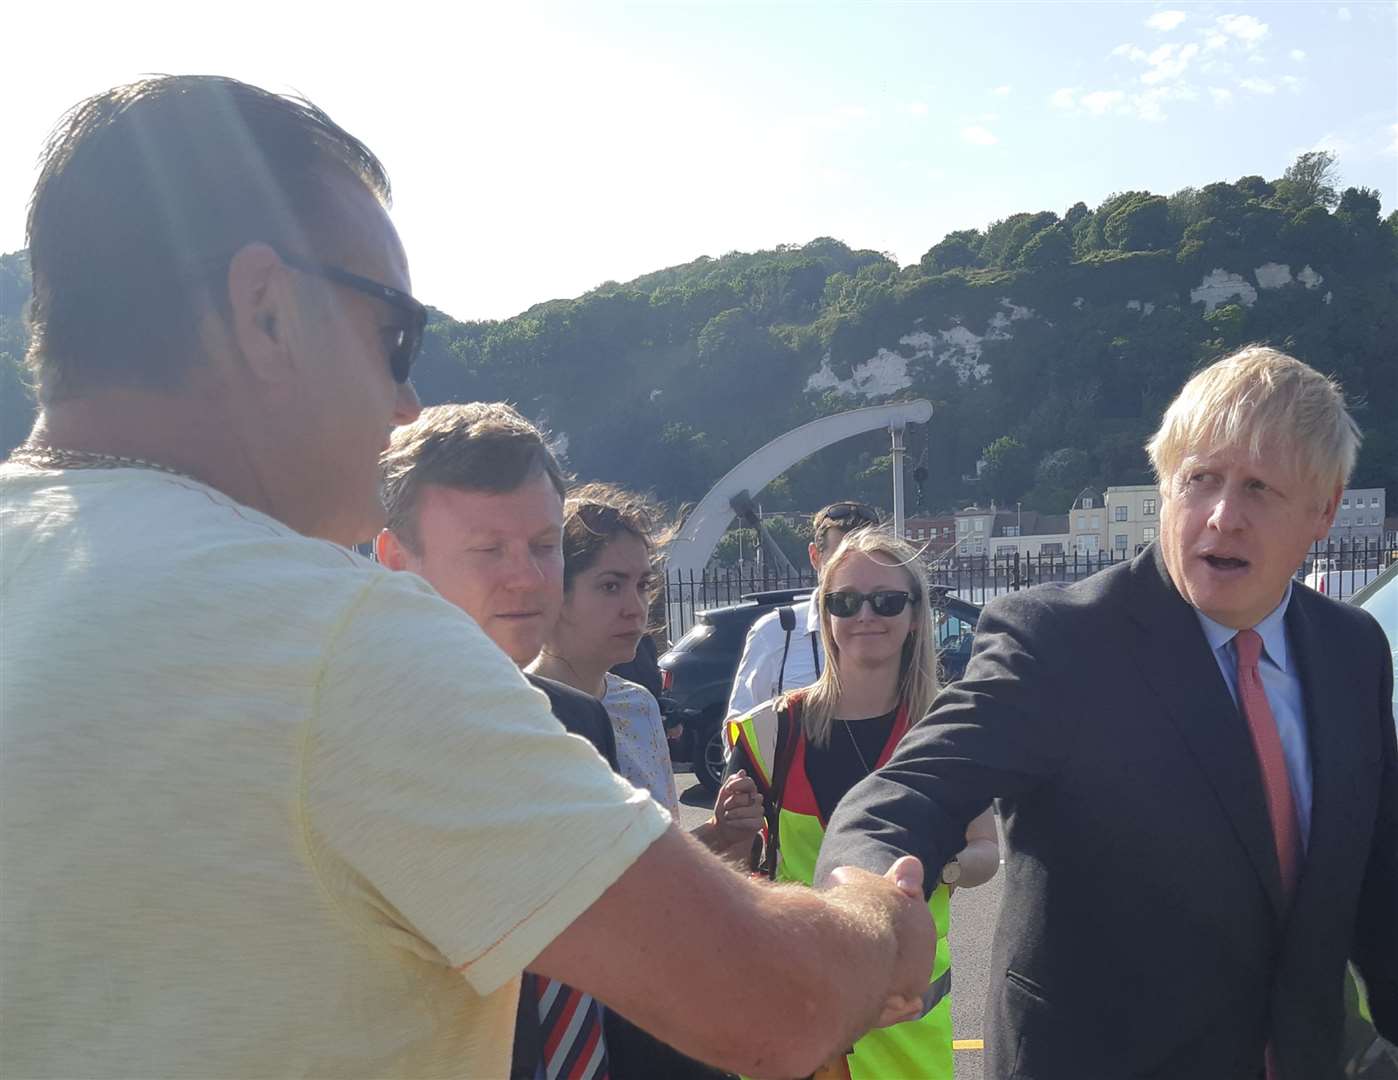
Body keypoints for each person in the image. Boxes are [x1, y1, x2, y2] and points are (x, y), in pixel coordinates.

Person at [0, 75, 937, 1080]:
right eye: (393, 334)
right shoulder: (336, 637)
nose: (406, 402)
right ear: (266, 311)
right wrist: (875, 916)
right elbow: (770, 1001)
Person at [817, 346, 1398, 1078]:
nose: (1223, 517)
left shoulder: (1352, 650)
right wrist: (864, 900)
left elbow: (1379, 877)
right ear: (1165, 485)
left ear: (1326, 509)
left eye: (1259, 488)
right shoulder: (1060, 642)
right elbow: (912, 790)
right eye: (1200, 480)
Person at [375, 401, 624, 1079]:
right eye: (489, 549)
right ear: (396, 561)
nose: (527, 576)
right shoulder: (359, 745)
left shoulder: (580, 722)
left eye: (544, 546)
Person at [725, 527, 999, 1079]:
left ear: (917, 614)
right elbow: (731, 867)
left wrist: (938, 870)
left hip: (907, 1022)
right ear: (824, 615)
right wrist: (727, 831)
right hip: (799, 1017)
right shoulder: (770, 733)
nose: (866, 615)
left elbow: (986, 850)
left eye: (887, 601)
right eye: (845, 602)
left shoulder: (947, 731)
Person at [530, 483, 759, 858]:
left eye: (642, 585)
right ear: (555, 591)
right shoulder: (516, 710)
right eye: (610, 586)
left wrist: (721, 832)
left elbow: (655, 861)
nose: (635, 607)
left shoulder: (639, 705)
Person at [726, 501, 882, 723]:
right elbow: (738, 726)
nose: (855, 569)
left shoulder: (891, 626)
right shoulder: (775, 631)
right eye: (841, 558)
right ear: (815, 557)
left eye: (867, 557)